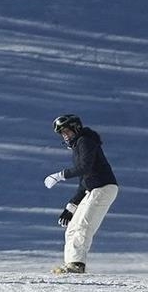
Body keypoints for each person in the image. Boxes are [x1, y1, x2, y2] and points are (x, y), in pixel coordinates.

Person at [43, 114, 118, 274]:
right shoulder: (79, 145)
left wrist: (59, 175)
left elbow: (85, 168)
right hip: (93, 189)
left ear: (76, 128)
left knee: (84, 225)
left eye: (67, 131)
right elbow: (84, 181)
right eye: (62, 133)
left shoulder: (85, 141)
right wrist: (71, 206)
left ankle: (77, 265)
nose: (65, 135)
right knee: (72, 228)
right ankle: (70, 263)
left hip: (104, 187)